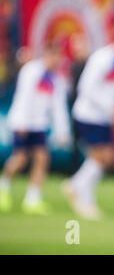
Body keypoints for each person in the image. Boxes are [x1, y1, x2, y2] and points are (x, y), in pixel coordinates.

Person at [63, 26, 114, 220]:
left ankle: (80, 191)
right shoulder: (103, 58)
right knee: (100, 157)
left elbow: (113, 88)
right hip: (89, 114)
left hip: (103, 116)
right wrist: (108, 105)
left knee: (107, 157)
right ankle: (79, 192)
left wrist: (112, 108)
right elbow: (85, 87)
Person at [0, 43, 70, 214]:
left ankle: (33, 199)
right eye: (54, 56)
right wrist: (23, 122)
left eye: (59, 57)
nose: (56, 60)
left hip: (39, 124)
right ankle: (4, 187)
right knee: (20, 159)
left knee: (42, 159)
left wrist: (63, 132)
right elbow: (24, 97)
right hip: (23, 122)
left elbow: (58, 107)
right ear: (46, 55)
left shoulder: (57, 79)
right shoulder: (31, 70)